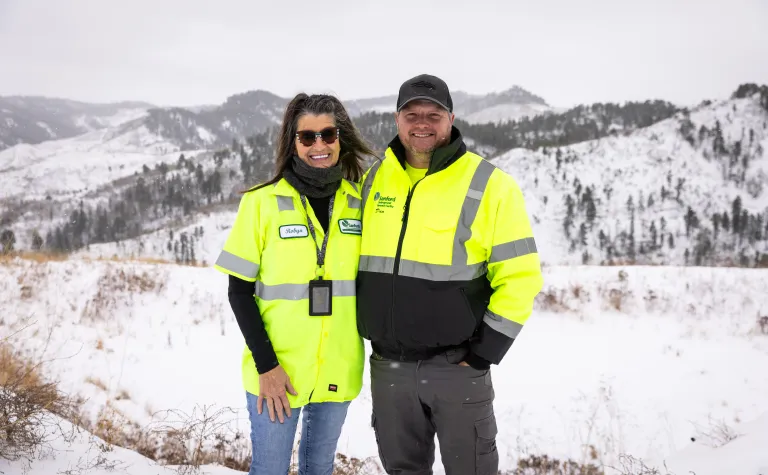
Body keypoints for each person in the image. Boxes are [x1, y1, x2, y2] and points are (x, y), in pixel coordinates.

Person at [355, 74, 544, 475]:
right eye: (412, 113)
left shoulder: (490, 185)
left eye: (433, 114)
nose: (422, 122)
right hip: (389, 368)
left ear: (451, 118)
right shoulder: (372, 180)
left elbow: (521, 276)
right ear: (396, 119)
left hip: (457, 368)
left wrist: (484, 354)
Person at [214, 93, 376, 475]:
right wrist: (267, 367)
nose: (319, 144)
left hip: (337, 369)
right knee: (269, 469)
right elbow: (239, 292)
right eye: (307, 137)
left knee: (318, 470)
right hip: (277, 373)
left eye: (328, 134)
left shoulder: (359, 202)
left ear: (340, 139)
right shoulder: (261, 203)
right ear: (293, 143)